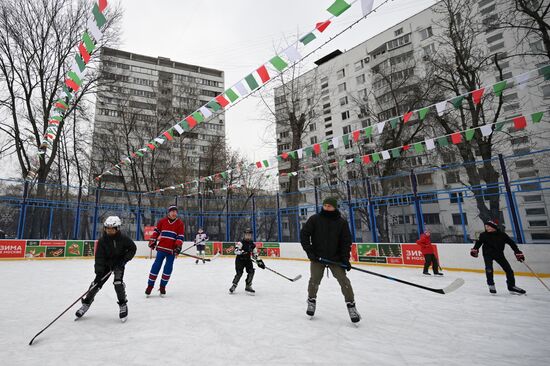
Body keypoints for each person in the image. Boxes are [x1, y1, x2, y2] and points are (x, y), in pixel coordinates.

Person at [300, 197, 361, 323]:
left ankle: (351, 306)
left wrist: (345, 259)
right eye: (325, 205)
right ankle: (311, 301)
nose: (327, 208)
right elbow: (304, 234)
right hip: (318, 257)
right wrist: (310, 252)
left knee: (344, 281)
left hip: (335, 258)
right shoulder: (315, 219)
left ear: (335, 207)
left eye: (330, 206)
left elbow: (346, 242)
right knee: (314, 280)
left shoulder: (341, 222)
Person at [75, 216, 136, 322]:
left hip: (118, 264)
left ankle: (122, 304)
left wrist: (123, 260)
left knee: (118, 283)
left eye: (112, 228)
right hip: (106, 265)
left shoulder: (124, 239)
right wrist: (99, 272)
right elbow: (99, 257)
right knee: (95, 285)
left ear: (117, 228)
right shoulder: (102, 241)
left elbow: (132, 249)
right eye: (107, 228)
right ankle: (86, 303)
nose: (109, 230)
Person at [471, 220, 526, 295]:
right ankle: (491, 284)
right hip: (488, 254)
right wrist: (475, 249)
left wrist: (517, 252)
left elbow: (512, 243)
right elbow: (478, 243)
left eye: (488, 226)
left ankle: (511, 286)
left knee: (509, 270)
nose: (486, 228)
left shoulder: (502, 235)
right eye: (486, 227)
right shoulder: (483, 235)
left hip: (499, 254)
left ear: (493, 227)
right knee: (489, 269)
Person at [146, 205, 185, 296]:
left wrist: (178, 246)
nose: (174, 213)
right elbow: (156, 232)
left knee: (168, 268)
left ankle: (162, 286)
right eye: (172, 211)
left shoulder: (180, 223)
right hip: (161, 249)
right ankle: (150, 286)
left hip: (171, 251)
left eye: (176, 211)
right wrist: (153, 240)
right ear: (169, 212)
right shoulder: (162, 221)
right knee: (156, 266)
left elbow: (180, 236)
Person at [229, 228, 265, 294]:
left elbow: (255, 254)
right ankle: (234, 285)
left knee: (251, 271)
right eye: (246, 235)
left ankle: (248, 286)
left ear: (251, 236)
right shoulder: (240, 243)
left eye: (249, 235)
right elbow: (236, 251)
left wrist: (260, 262)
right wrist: (241, 252)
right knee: (239, 273)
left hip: (248, 260)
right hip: (240, 260)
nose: (248, 236)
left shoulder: (252, 245)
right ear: (244, 235)